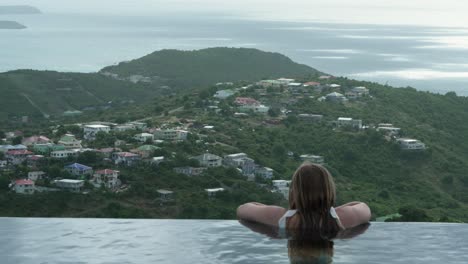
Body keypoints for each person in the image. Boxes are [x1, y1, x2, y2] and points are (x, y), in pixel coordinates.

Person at [237, 163, 371, 239]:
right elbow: (363, 207)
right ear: (329, 190)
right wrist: (335, 211)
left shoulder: (278, 216)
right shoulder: (343, 217)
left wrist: (265, 208)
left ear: (294, 191)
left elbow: (242, 209)